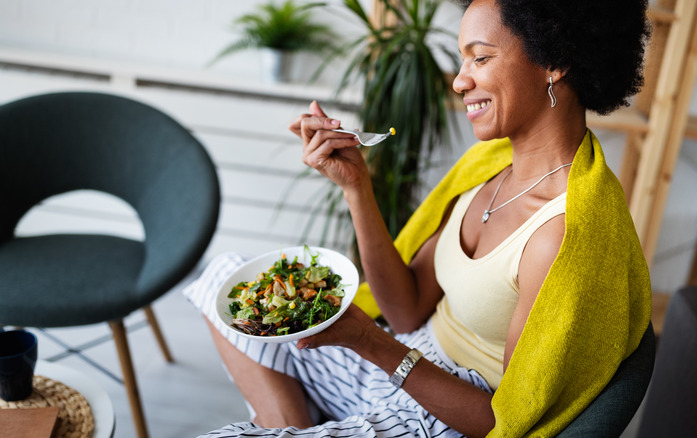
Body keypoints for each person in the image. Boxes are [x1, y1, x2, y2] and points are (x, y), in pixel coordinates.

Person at [183, 0, 652, 436]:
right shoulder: (487, 169)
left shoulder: (562, 235)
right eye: (462, 59)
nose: (459, 80)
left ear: (555, 62)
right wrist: (356, 186)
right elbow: (405, 310)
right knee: (224, 277)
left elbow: (498, 422)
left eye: (481, 58)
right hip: (401, 359)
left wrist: (369, 340)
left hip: (445, 411)